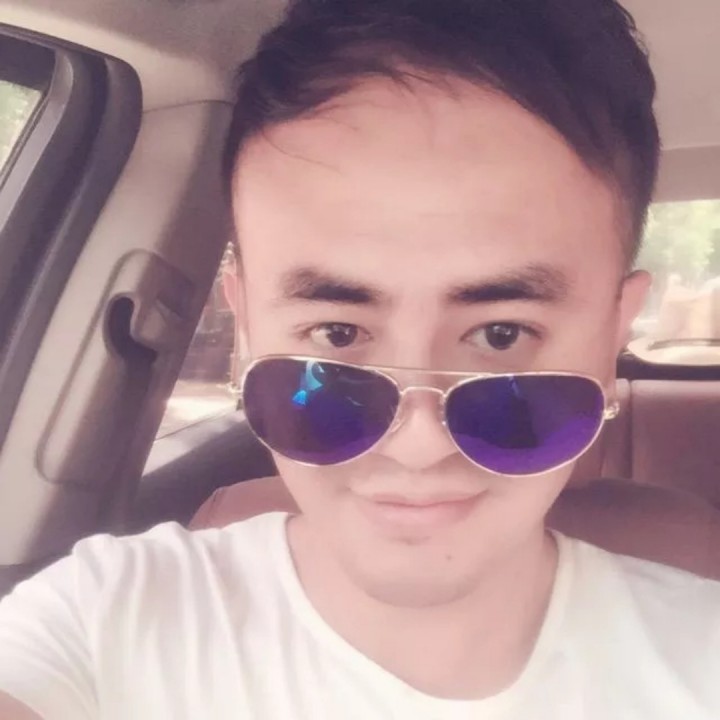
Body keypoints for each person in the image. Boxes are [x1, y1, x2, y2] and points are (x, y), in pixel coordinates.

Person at [1, 0, 719, 717]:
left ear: (612, 334)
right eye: (338, 334)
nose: (417, 446)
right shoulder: (98, 620)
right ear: (248, 328)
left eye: (502, 334)